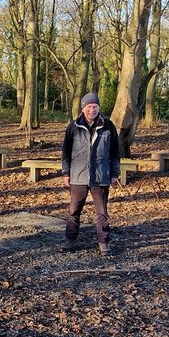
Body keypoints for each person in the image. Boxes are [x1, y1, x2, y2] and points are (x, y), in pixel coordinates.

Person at [60, 92, 121, 255]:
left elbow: (115, 152)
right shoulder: (73, 127)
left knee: (102, 212)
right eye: (89, 107)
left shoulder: (108, 126)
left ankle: (103, 242)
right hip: (78, 176)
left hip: (100, 176)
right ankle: (70, 239)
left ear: (98, 108)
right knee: (73, 211)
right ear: (83, 108)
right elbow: (65, 152)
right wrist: (66, 173)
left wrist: (115, 173)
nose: (92, 110)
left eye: (95, 107)